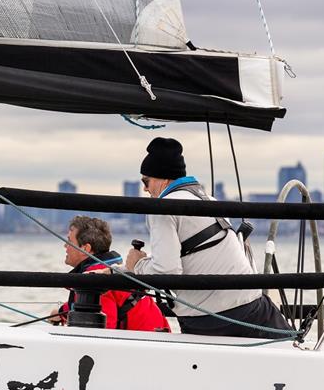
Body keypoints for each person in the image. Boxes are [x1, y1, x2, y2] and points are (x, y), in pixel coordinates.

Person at [123, 137, 291, 338]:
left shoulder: (162, 208)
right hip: (251, 308)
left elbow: (166, 270)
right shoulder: (209, 200)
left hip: (207, 319)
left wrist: (136, 265)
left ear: (162, 178)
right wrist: (120, 270)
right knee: (295, 350)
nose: (145, 189)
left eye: (146, 181)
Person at [50, 215, 170, 332]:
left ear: (85, 248)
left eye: (69, 241)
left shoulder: (97, 279)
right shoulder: (109, 269)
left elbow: (104, 331)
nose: (65, 245)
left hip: (146, 345)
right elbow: (88, 303)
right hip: (155, 335)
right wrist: (61, 312)